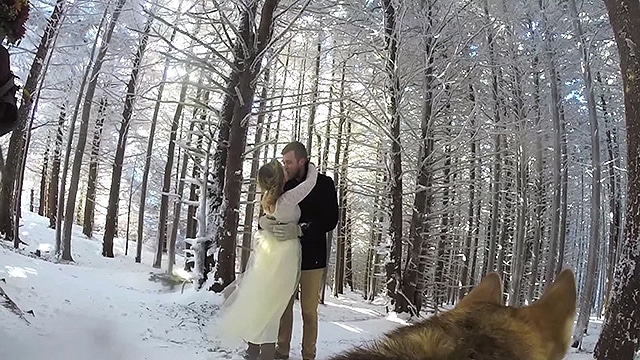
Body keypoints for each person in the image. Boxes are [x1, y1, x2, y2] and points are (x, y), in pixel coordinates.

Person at [216, 158, 319, 360]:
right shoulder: (288, 199)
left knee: (263, 300)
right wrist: (311, 166)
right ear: (281, 179)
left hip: (266, 253)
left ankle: (253, 349)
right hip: (284, 256)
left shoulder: (266, 197)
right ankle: (267, 354)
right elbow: (310, 184)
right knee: (275, 306)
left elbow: (265, 218)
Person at [260, 142, 339, 360]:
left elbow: (330, 220)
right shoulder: (281, 183)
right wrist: (263, 223)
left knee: (308, 311)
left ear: (301, 161)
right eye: (284, 162)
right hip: (285, 257)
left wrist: (301, 229)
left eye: (289, 162)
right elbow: (270, 210)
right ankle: (281, 351)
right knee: (284, 307)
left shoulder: (324, 184)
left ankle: (308, 355)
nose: (285, 166)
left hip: (313, 258)